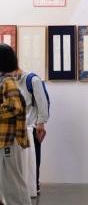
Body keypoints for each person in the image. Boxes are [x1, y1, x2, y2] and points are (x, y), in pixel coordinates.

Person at [0, 44, 41, 205]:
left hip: (9, 140)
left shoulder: (7, 81)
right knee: (10, 180)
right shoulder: (4, 80)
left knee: (13, 181)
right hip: (4, 139)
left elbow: (15, 107)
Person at [12, 67, 49, 197]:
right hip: (18, 127)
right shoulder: (11, 81)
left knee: (34, 158)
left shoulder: (33, 80)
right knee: (21, 159)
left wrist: (41, 123)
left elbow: (42, 103)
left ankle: (35, 184)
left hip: (32, 127)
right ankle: (23, 185)